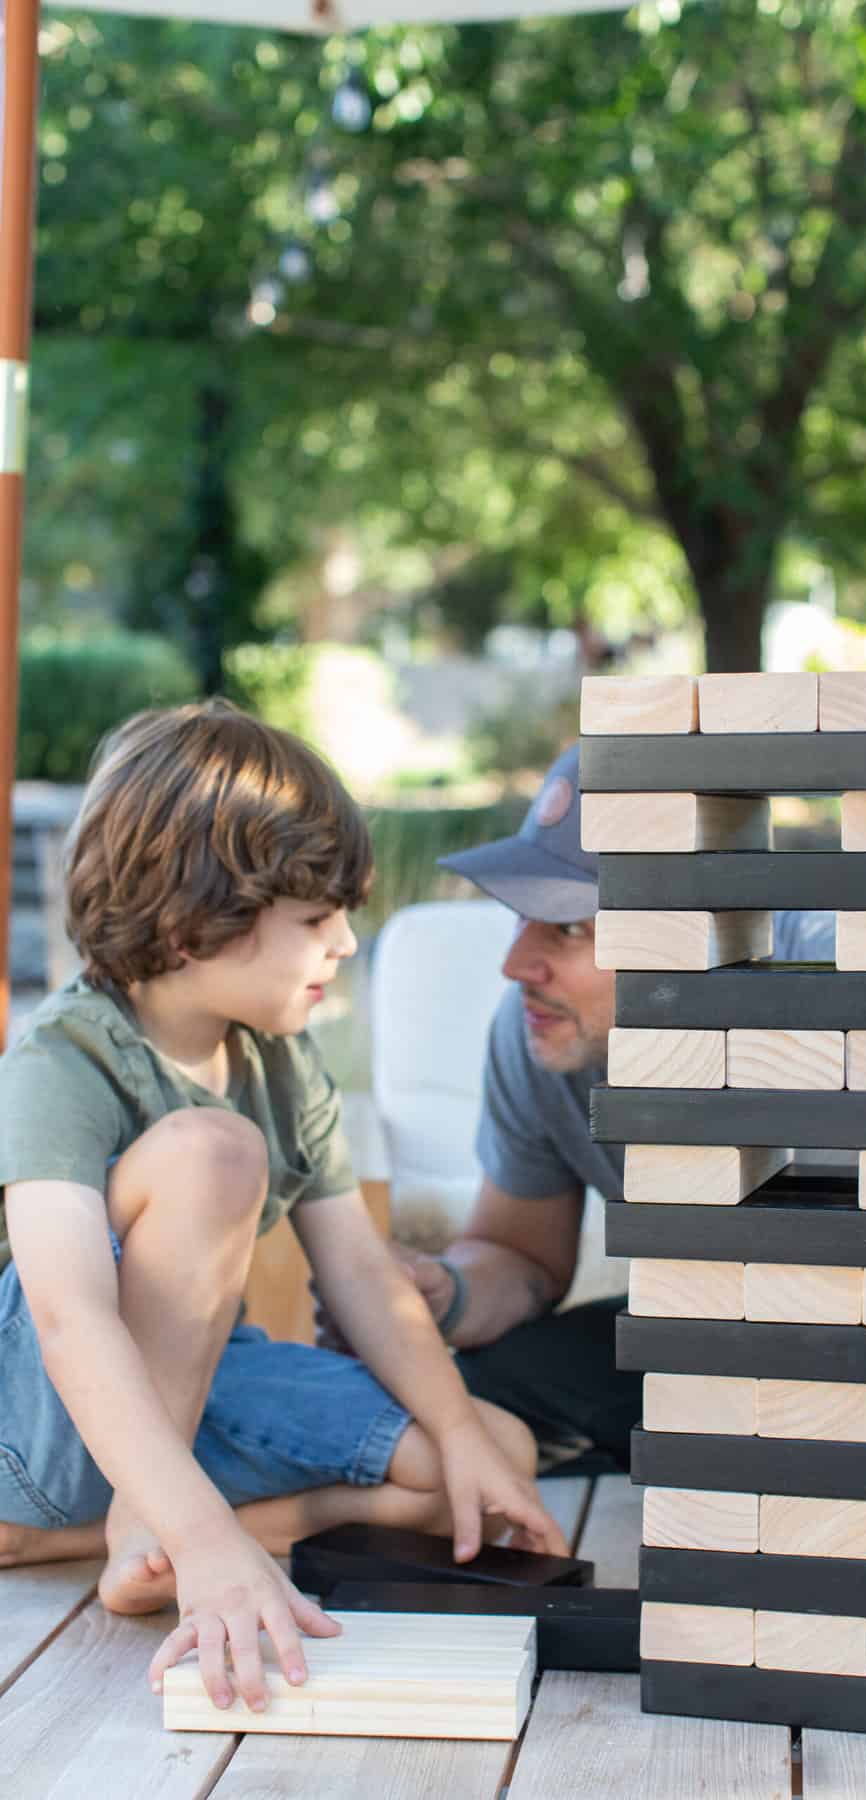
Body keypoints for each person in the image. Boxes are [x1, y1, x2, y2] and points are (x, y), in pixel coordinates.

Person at [370, 742, 866, 1527]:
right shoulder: (540, 1036)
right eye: (521, 918)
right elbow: (521, 1258)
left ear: (701, 930)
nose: (516, 965)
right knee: (455, 1394)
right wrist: (447, 1296)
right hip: (720, 1335)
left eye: (567, 929)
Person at [0, 701, 567, 1715]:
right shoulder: (63, 1061)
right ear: (188, 927)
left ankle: (114, 1534)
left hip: (192, 1393)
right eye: (315, 921)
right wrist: (210, 1539)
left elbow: (360, 1273)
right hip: (35, 1410)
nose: (347, 944)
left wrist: (457, 1426)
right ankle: (176, 1525)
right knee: (213, 1153)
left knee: (490, 1460)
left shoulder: (280, 1060)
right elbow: (67, 1318)